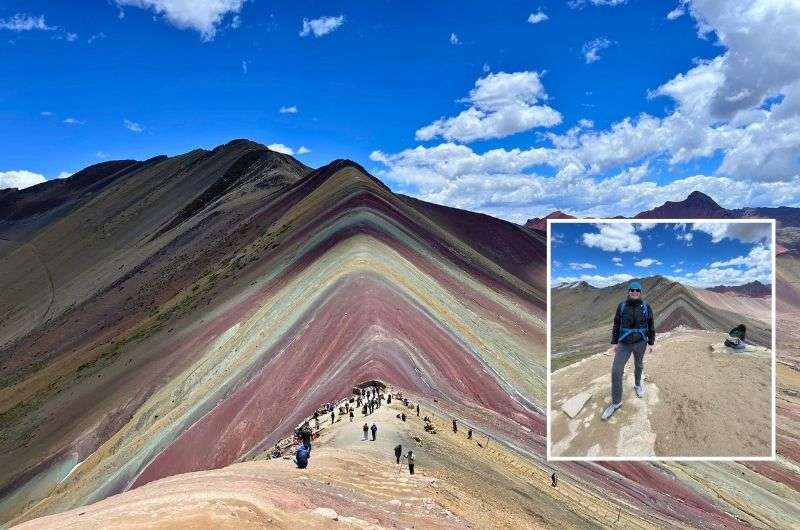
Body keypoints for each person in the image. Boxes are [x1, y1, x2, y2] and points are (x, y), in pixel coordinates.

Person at [602, 280, 656, 420]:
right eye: (632, 290)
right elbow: (616, 324)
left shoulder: (646, 306)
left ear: (640, 292)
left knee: (639, 365)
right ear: (628, 291)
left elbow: (650, 324)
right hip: (624, 344)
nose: (634, 292)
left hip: (641, 342)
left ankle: (638, 385)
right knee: (616, 370)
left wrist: (651, 342)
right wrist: (614, 343)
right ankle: (616, 402)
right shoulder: (622, 306)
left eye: (637, 290)